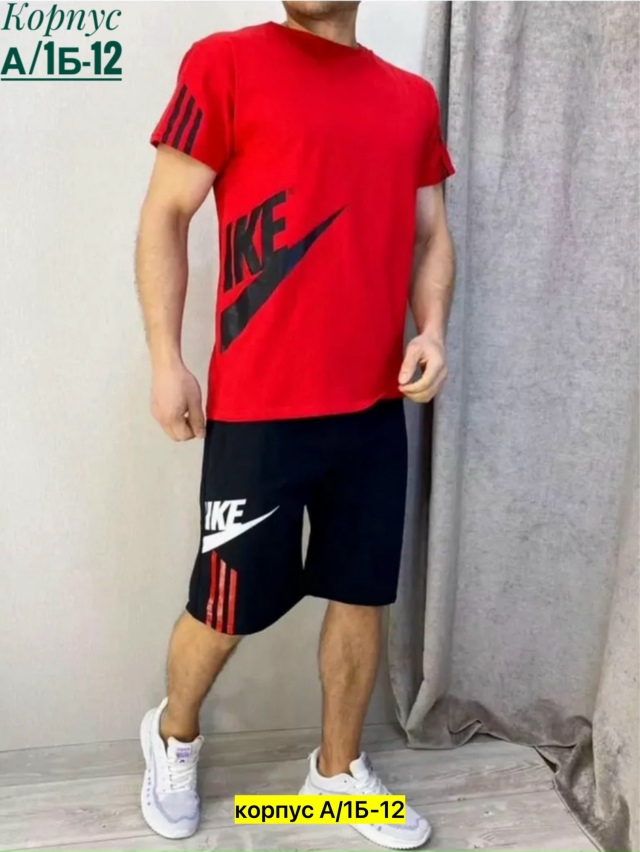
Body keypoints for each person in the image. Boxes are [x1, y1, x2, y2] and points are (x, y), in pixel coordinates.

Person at [135, 1, 454, 848]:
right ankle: (173, 734)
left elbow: (431, 234)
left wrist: (431, 330)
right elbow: (166, 213)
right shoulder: (224, 64)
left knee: (360, 596)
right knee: (224, 609)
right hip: (259, 408)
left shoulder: (410, 98)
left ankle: (336, 776)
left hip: (373, 405)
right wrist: (166, 360)